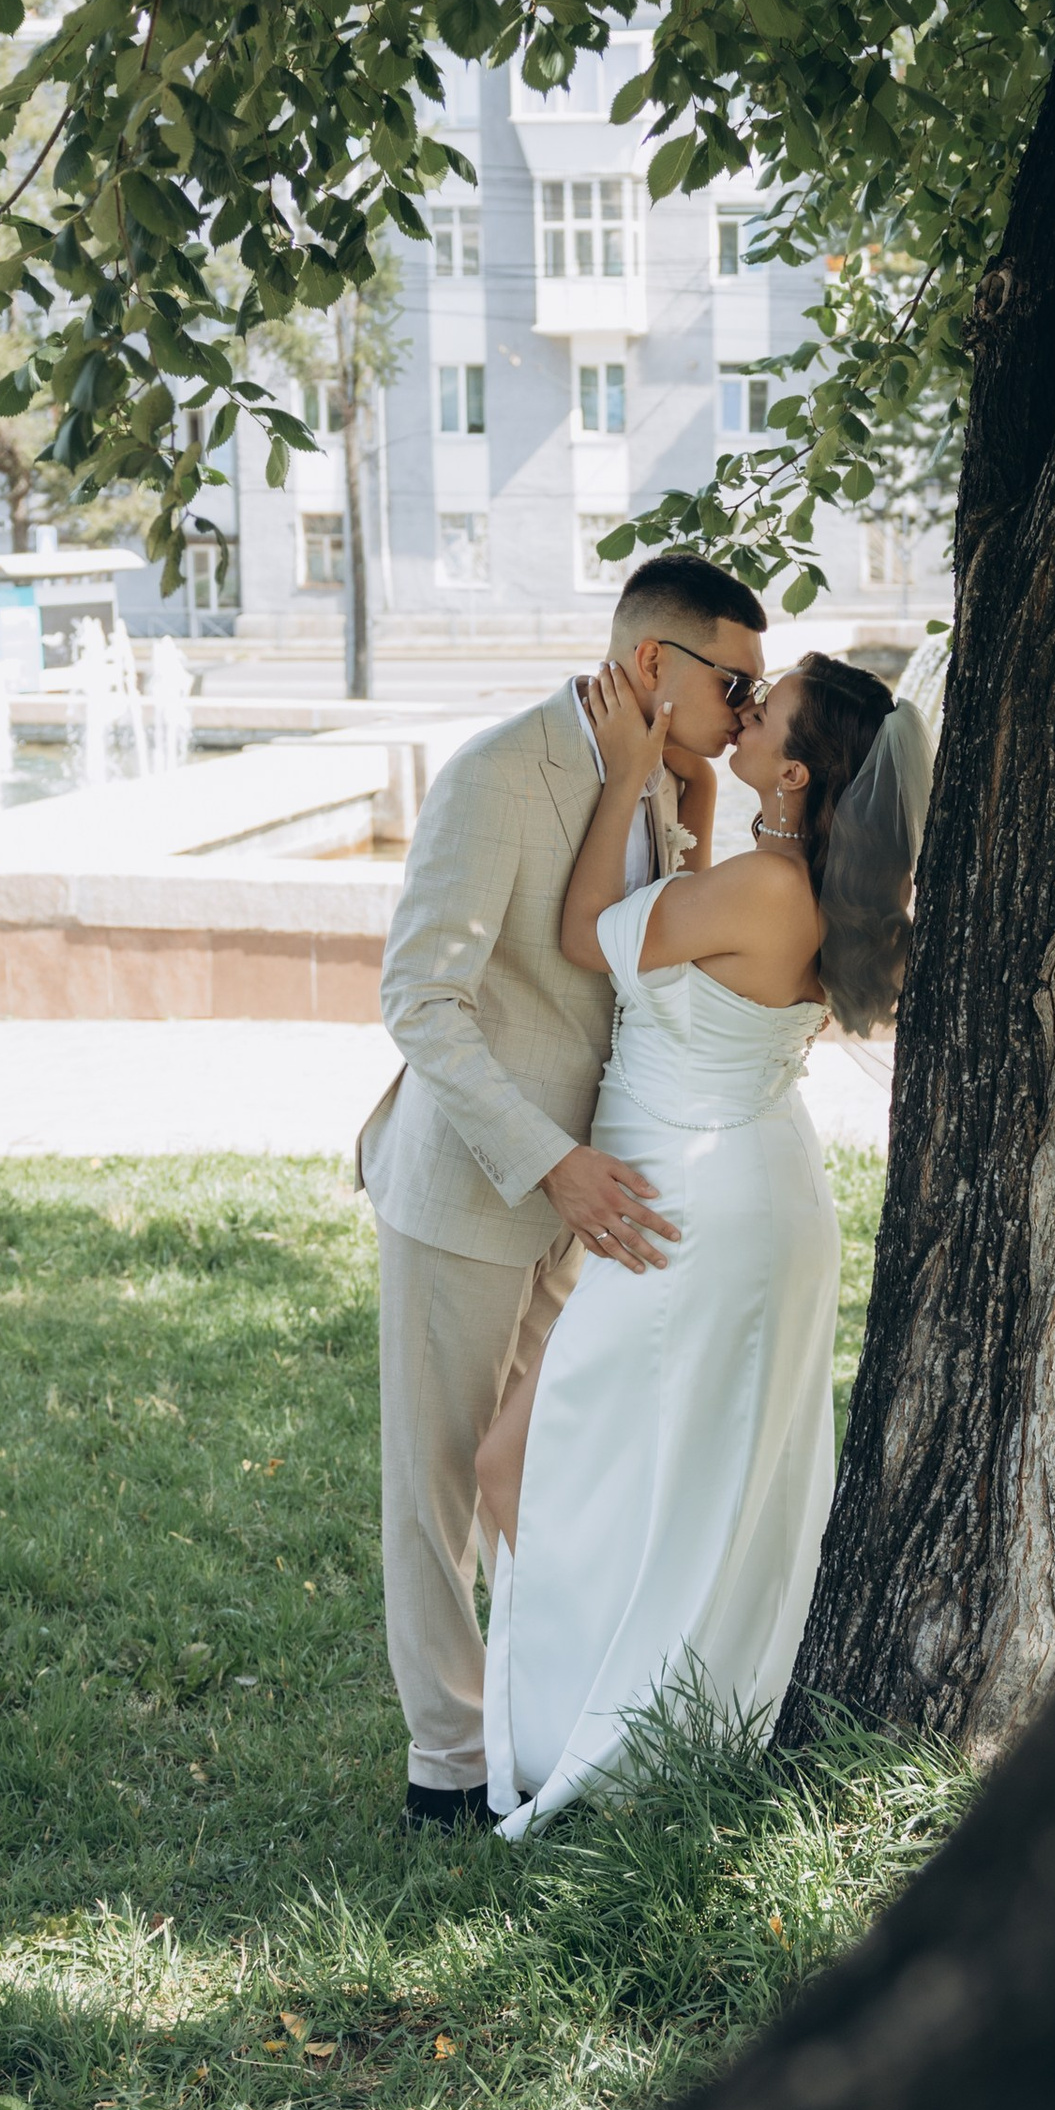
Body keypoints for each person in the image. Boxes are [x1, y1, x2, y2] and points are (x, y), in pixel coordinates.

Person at [471, 649, 928, 1837]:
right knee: (680, 1477)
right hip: (736, 1190)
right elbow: (694, 911)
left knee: (520, 1465)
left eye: (764, 712)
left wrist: (628, 773)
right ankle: (628, 1710)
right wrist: (704, 800)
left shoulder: (771, 896)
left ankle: (606, 1731)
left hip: (694, 1210)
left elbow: (585, 933)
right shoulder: (796, 879)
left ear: (798, 767)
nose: (744, 714)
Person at [361, 552, 770, 1833]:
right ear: (655, 665)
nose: (751, 713)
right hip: (479, 1189)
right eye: (736, 683)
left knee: (537, 1470)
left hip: (595, 1199)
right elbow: (418, 1001)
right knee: (437, 1486)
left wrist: (690, 806)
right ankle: (446, 1766)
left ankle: (537, 1716)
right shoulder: (496, 774)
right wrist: (551, 1162)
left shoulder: (664, 784)